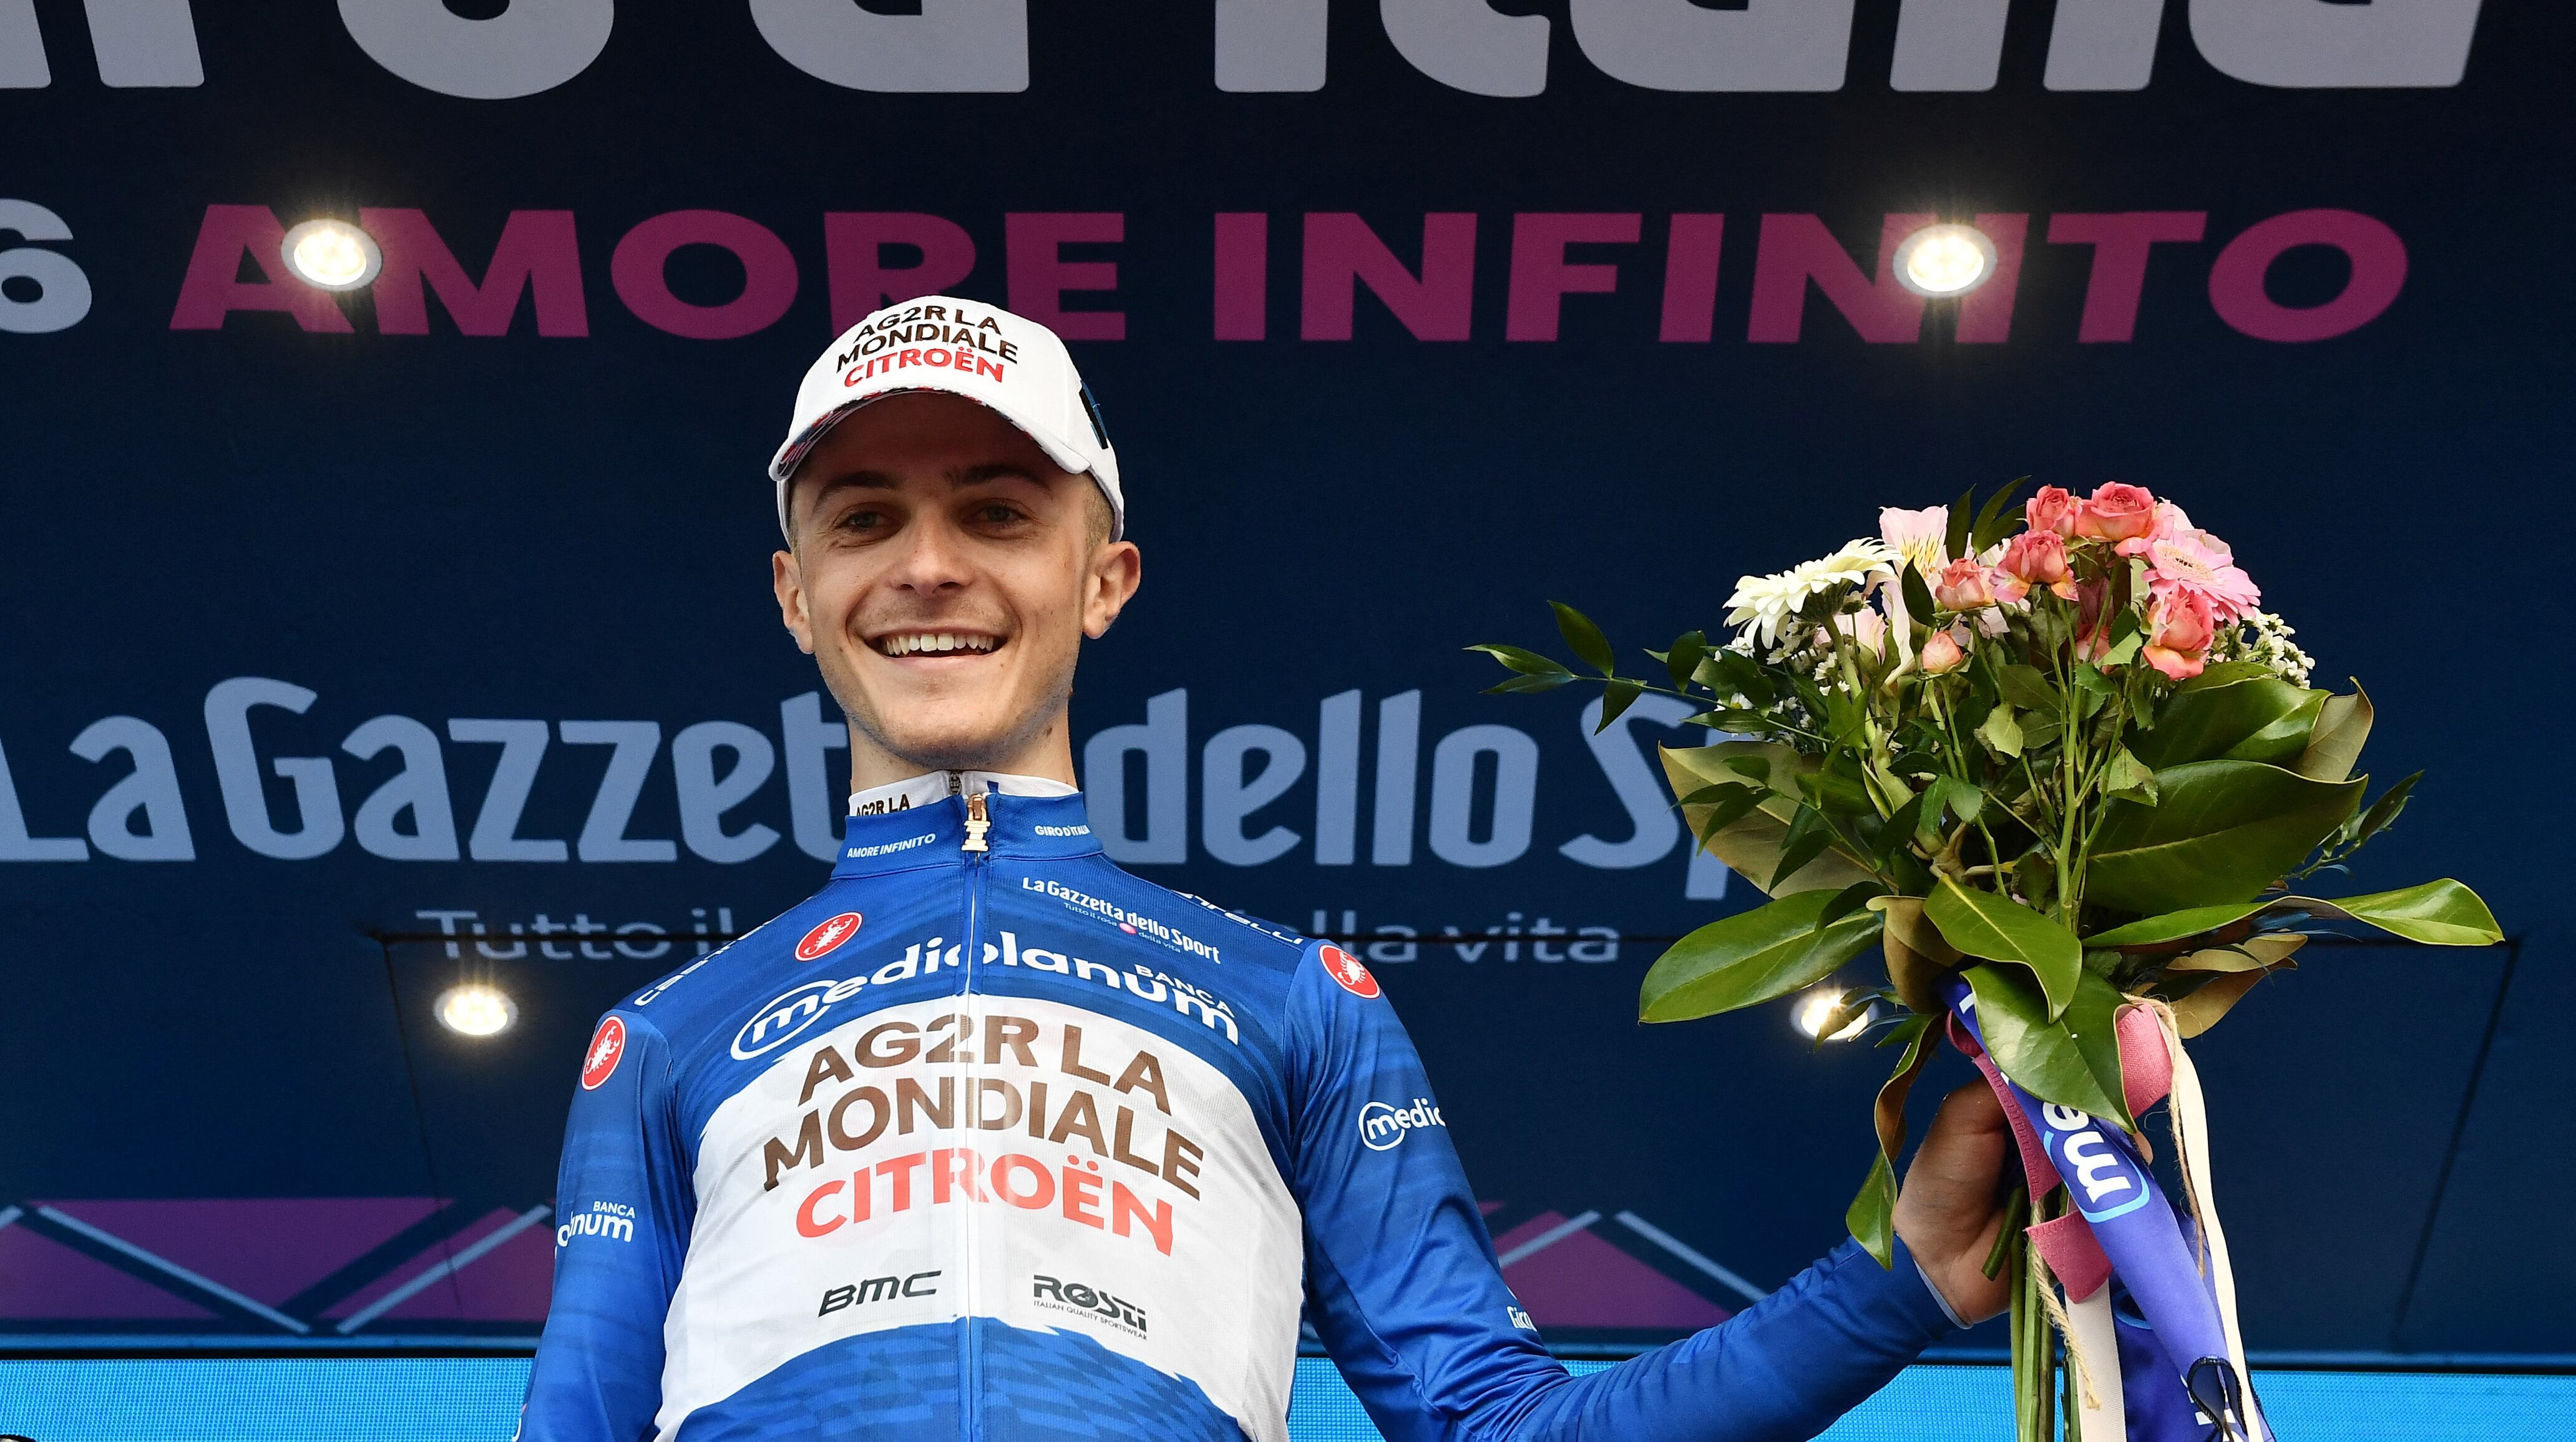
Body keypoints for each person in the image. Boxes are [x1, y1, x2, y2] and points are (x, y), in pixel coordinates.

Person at [520, 295, 2011, 1441]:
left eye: (996, 509)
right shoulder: (661, 1040)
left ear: (1102, 577)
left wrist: (1900, 1273)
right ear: (798, 592)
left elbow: (1502, 1423)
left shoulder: (1294, 998)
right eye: (863, 516)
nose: (926, 563)